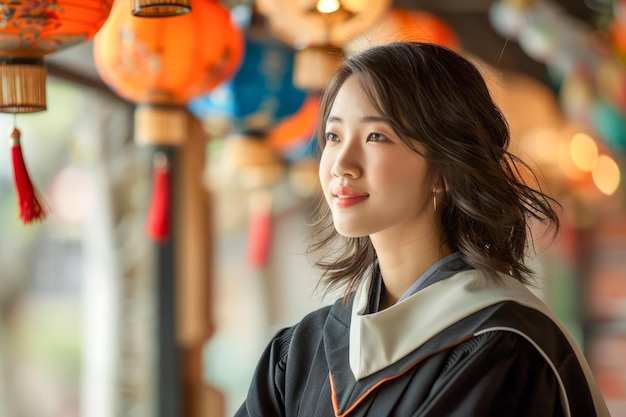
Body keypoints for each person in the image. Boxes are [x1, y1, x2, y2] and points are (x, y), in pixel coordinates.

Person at [234, 42, 610, 416]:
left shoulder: (503, 347)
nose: (341, 165)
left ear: (444, 168)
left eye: (375, 137)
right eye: (333, 136)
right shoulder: (302, 351)